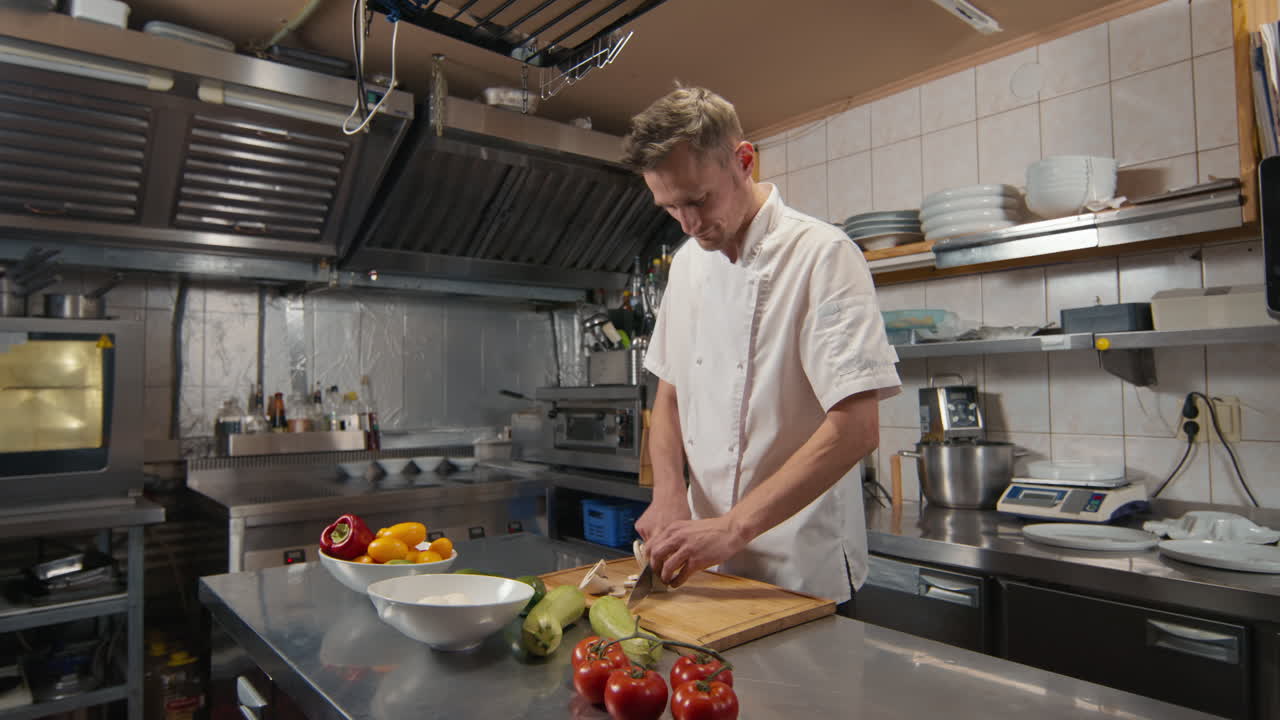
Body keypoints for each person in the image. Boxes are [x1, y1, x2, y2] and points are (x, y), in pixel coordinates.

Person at [622, 86, 901, 607]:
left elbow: (856, 429)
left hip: (800, 564)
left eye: (698, 199)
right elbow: (670, 395)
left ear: (743, 160)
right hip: (706, 562)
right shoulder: (685, 264)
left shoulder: (822, 255)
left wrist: (733, 527)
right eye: (670, 207)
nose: (688, 223)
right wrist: (667, 495)